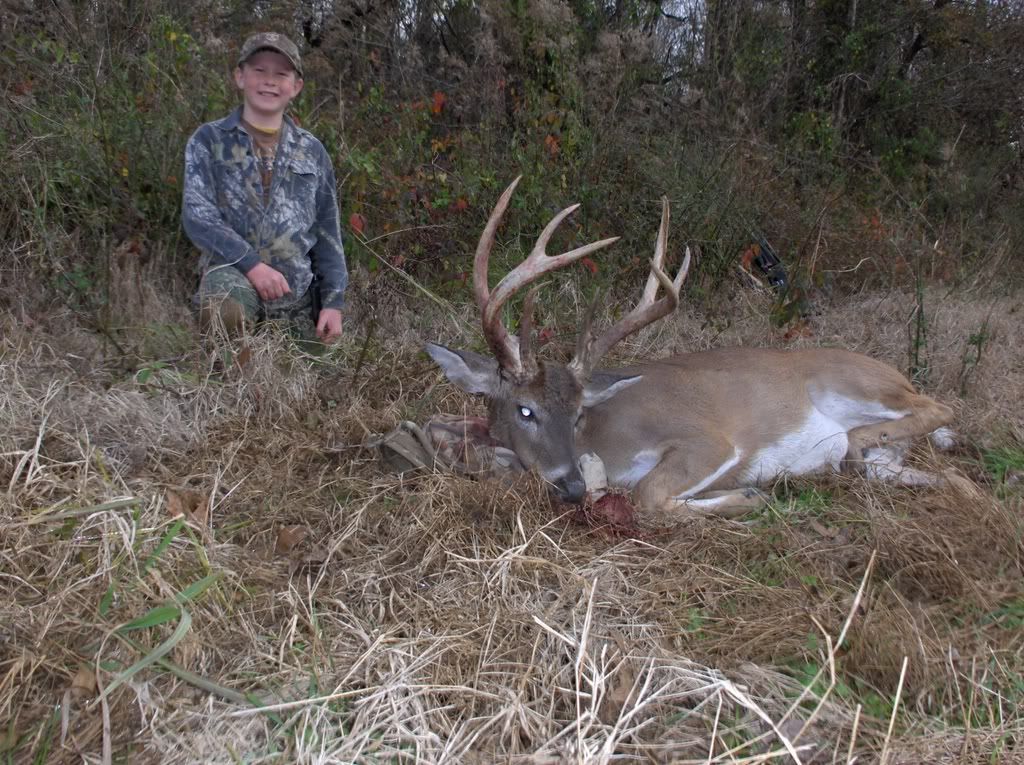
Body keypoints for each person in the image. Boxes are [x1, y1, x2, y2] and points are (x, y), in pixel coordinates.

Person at [182, 32, 347, 345]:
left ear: (296, 86)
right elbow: (198, 218)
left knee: (323, 381)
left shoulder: (312, 151)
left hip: (296, 295)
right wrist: (253, 265)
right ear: (240, 77)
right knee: (224, 311)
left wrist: (333, 302)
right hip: (233, 278)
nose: (269, 81)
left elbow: (328, 234)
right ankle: (232, 377)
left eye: (281, 73)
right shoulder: (208, 140)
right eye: (259, 71)